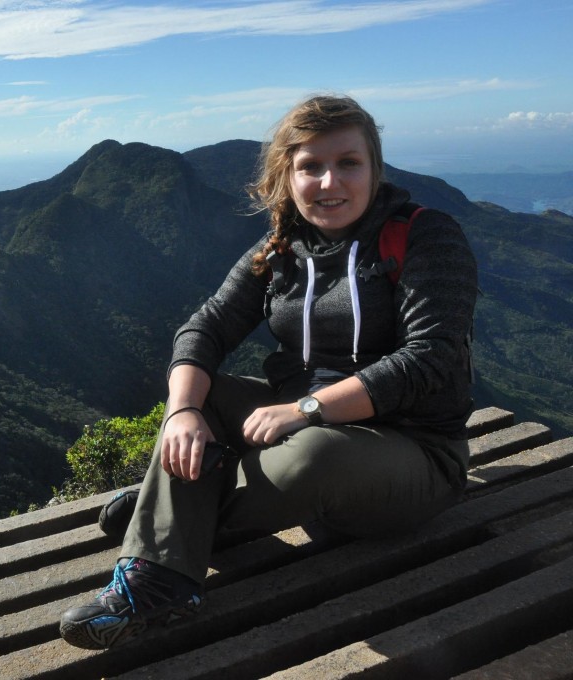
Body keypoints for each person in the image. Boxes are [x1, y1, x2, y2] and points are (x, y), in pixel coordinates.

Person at [59, 94, 478, 650]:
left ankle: (172, 517)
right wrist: (182, 412)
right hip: (298, 420)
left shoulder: (426, 236)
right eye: (310, 166)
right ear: (287, 176)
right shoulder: (282, 247)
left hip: (411, 449)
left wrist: (309, 409)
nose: (330, 181)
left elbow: (431, 356)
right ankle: (160, 580)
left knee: (312, 454)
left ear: (375, 170)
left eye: (348, 163)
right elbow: (204, 329)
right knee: (201, 398)